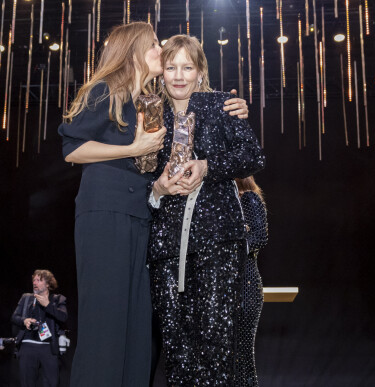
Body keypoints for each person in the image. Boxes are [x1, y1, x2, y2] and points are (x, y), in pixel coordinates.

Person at [58, 22, 248, 387]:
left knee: (137, 325)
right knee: (106, 321)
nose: (160, 52)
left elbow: (189, 96)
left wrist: (232, 104)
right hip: (105, 213)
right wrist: (132, 149)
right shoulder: (106, 90)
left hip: (141, 216)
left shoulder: (148, 101)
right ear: (133, 51)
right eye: (154, 46)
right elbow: (71, 150)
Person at [147, 35, 265, 386]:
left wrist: (208, 166)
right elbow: (139, 174)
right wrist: (158, 187)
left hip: (217, 243)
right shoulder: (151, 112)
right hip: (167, 247)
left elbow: (254, 157)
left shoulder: (221, 106)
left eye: (187, 67)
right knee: (177, 351)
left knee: (215, 348)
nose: (179, 76)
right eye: (171, 67)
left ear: (200, 72)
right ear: (162, 72)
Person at [235, 176, 268, 385]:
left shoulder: (248, 198)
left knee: (242, 356)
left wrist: (231, 241)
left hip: (245, 285)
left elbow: (259, 238)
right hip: (229, 285)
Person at [11, 270, 67, 387]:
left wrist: (48, 305)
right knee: (27, 383)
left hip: (48, 347)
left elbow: (63, 317)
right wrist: (24, 320)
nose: (35, 282)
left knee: (52, 383)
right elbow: (14, 317)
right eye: (34, 280)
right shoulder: (26, 298)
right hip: (27, 345)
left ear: (48, 284)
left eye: (39, 280)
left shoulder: (57, 299)